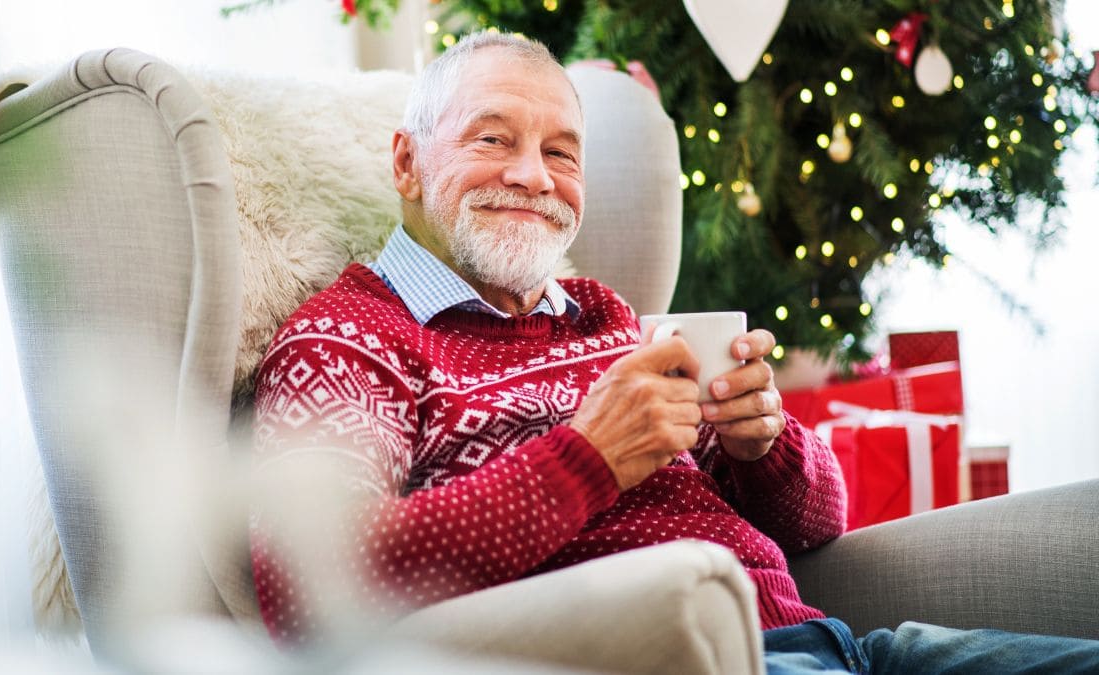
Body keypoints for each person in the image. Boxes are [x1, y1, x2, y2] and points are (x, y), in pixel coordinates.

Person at [251, 32, 1099, 673]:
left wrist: (763, 442)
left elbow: (819, 523)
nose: (536, 178)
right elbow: (307, 584)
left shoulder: (599, 314)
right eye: (492, 140)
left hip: (841, 643)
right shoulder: (347, 338)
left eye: (560, 152)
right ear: (407, 162)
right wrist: (586, 459)